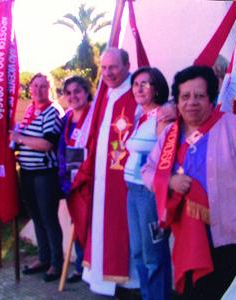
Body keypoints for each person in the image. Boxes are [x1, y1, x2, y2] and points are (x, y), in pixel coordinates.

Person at [142, 65, 236, 300]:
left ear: (211, 98)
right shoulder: (170, 135)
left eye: (199, 96)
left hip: (232, 235)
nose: (191, 102)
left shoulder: (234, 127)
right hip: (189, 236)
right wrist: (170, 180)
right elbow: (149, 170)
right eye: (185, 96)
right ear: (178, 101)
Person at [81, 47, 141, 296]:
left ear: (127, 66)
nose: (107, 73)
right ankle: (105, 279)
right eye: (103, 68)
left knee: (125, 235)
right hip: (103, 178)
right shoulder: (106, 94)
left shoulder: (137, 92)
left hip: (126, 181)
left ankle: (129, 285)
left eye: (113, 67)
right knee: (103, 229)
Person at [10, 73, 64, 282]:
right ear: (29, 89)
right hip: (27, 171)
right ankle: (44, 258)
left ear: (49, 89)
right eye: (36, 86)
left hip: (45, 173)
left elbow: (47, 144)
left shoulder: (53, 111)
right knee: (37, 217)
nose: (39, 90)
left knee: (49, 218)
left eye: (44, 86)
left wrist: (20, 138)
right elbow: (27, 140)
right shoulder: (31, 110)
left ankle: (56, 264)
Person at [124, 67, 172, 300]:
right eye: (136, 84)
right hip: (132, 191)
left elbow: (164, 157)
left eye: (146, 83)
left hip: (149, 193)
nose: (139, 88)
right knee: (137, 252)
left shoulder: (163, 116)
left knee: (153, 255)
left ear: (157, 88)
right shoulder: (138, 116)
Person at [58, 76, 94, 283]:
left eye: (77, 91)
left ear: (86, 91)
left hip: (89, 179)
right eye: (68, 93)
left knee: (92, 223)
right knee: (77, 221)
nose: (73, 96)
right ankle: (82, 265)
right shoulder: (67, 118)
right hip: (71, 179)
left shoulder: (95, 114)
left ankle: (94, 266)